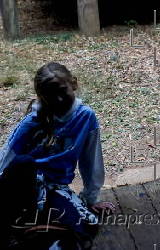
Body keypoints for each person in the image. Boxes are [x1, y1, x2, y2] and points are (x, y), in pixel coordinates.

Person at [0, 62, 115, 249]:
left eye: (63, 91)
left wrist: (92, 198)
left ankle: (33, 230)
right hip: (23, 186)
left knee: (88, 225)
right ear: (42, 96)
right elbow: (6, 159)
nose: (59, 100)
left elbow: (91, 160)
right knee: (24, 163)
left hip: (54, 187)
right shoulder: (33, 121)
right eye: (51, 96)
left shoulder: (85, 117)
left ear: (74, 84)